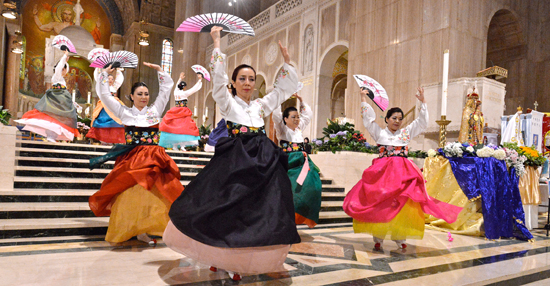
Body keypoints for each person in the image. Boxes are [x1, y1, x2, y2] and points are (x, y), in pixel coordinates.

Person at [163, 26, 300, 281]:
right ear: (234, 83)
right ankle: (220, 255)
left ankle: (242, 257)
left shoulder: (261, 106)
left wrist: (287, 62)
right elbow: (217, 81)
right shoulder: (227, 102)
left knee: (257, 211)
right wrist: (217, 43)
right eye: (242, 79)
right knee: (228, 207)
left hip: (263, 163)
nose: (247, 83)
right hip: (235, 161)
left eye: (251, 79)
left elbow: (281, 92)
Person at [343, 87, 462, 250]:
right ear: (387, 119)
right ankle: (378, 237)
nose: (397, 121)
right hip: (383, 174)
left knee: (403, 204)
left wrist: (423, 102)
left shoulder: (405, 133)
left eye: (400, 118)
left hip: (403, 174)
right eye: (394, 118)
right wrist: (364, 99)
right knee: (382, 203)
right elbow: (368, 120)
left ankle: (400, 236)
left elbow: (421, 123)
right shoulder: (380, 133)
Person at [88, 62, 183, 245]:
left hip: (155, 157)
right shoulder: (123, 112)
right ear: (131, 96)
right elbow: (105, 95)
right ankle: (131, 229)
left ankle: (147, 230)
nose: (144, 97)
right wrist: (103, 74)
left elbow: (165, 90)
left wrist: (160, 71)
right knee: (131, 195)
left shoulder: (155, 111)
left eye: (146, 94)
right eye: (139, 94)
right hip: (133, 159)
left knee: (155, 195)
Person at [272, 95, 322, 228]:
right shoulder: (282, 129)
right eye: (293, 117)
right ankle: (284, 220)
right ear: (285, 119)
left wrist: (301, 99)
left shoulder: (300, 128)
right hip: (288, 162)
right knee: (288, 190)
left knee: (313, 187)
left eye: (298, 117)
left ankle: (300, 216)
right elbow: (276, 115)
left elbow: (308, 114)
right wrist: (280, 96)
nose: (296, 119)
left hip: (302, 163)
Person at [16, 50, 79, 142]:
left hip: (60, 98)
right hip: (56, 98)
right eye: (65, 69)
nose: (66, 72)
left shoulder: (60, 78)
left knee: (57, 119)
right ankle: (50, 136)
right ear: (63, 69)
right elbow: (58, 67)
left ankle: (52, 136)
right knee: (52, 118)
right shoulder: (57, 76)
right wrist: (64, 57)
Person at [158, 72, 202, 150]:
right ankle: (182, 145)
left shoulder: (175, 92)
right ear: (184, 87)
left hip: (175, 111)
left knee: (175, 128)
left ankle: (175, 145)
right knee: (184, 128)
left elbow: (176, 86)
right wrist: (199, 80)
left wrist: (180, 78)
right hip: (183, 112)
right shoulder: (184, 93)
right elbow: (193, 89)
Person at [86, 69, 126, 144]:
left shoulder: (114, 87)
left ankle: (111, 139)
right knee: (103, 123)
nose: (110, 80)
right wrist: (100, 69)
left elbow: (120, 78)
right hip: (104, 107)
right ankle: (103, 139)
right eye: (108, 78)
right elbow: (97, 76)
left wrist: (117, 70)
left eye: (112, 79)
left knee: (115, 122)